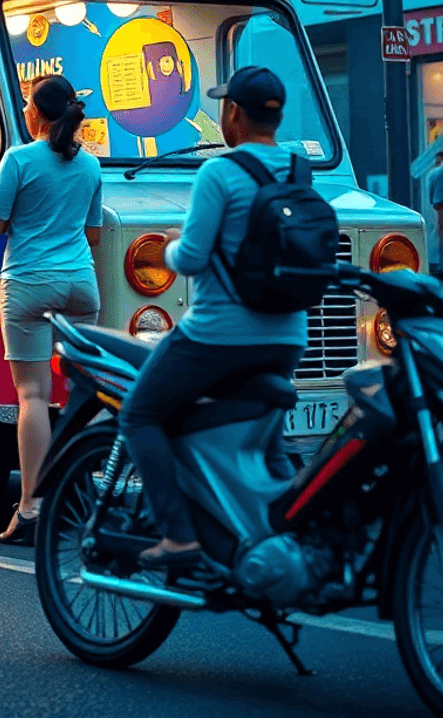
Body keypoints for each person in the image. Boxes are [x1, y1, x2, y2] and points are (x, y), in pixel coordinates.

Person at [119, 66, 307, 568]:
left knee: (140, 413)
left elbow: (192, 258)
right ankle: (275, 535)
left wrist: (173, 246)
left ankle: (179, 536)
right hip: (289, 337)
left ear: (232, 115)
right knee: (261, 429)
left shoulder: (220, 173)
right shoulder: (300, 171)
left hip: (218, 337)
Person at [0, 76, 102, 545]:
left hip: (29, 283)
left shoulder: (18, 159)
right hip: (80, 284)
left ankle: (32, 506)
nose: (25, 110)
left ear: (37, 113)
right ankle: (77, 494)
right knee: (79, 395)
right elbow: (91, 234)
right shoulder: (90, 165)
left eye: (28, 104)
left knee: (32, 395)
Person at [428, 150, 443, 274]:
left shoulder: (434, 173)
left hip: (440, 205)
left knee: (441, 233)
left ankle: (442, 264)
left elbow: (431, 193)